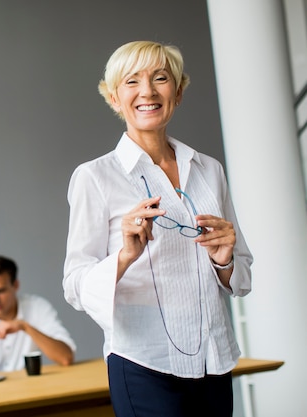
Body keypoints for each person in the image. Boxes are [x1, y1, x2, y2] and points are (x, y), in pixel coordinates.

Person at [62, 41, 253, 417]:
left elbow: (241, 277)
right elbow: (75, 285)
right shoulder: (95, 177)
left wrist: (224, 260)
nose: (147, 91)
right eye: (132, 81)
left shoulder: (208, 170)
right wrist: (125, 254)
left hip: (214, 361)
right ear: (114, 98)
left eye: (160, 78)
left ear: (178, 92)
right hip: (144, 364)